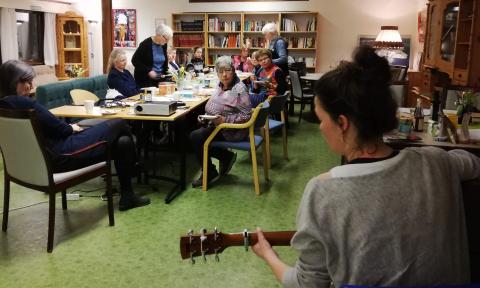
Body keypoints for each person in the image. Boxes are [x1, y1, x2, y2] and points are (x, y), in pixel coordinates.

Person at [252, 46, 480, 286]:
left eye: (321, 119)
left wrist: (268, 254)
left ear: (342, 123)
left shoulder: (323, 192)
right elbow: (472, 162)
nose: (320, 128)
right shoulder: (438, 161)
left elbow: (307, 284)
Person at [0, 60, 151, 212]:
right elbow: (61, 129)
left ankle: (128, 196)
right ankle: (136, 166)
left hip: (41, 160)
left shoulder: (5, 107)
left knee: (122, 142)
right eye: (26, 82)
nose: (31, 87)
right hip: (64, 154)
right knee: (119, 122)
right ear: (13, 82)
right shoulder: (22, 102)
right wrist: (71, 127)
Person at [189, 56, 252, 188]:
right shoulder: (220, 85)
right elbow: (216, 105)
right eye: (220, 71)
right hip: (217, 125)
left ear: (233, 71)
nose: (224, 74)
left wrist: (225, 120)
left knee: (196, 137)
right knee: (191, 132)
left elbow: (247, 115)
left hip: (231, 129)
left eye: (227, 70)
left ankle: (210, 171)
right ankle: (225, 157)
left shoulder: (239, 89)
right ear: (216, 73)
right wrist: (205, 116)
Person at [132, 23, 173, 88]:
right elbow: (134, 60)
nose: (167, 42)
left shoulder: (163, 44)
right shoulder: (145, 44)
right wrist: (149, 71)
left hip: (159, 78)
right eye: (166, 39)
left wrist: (168, 74)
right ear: (160, 35)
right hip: (145, 80)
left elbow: (164, 63)